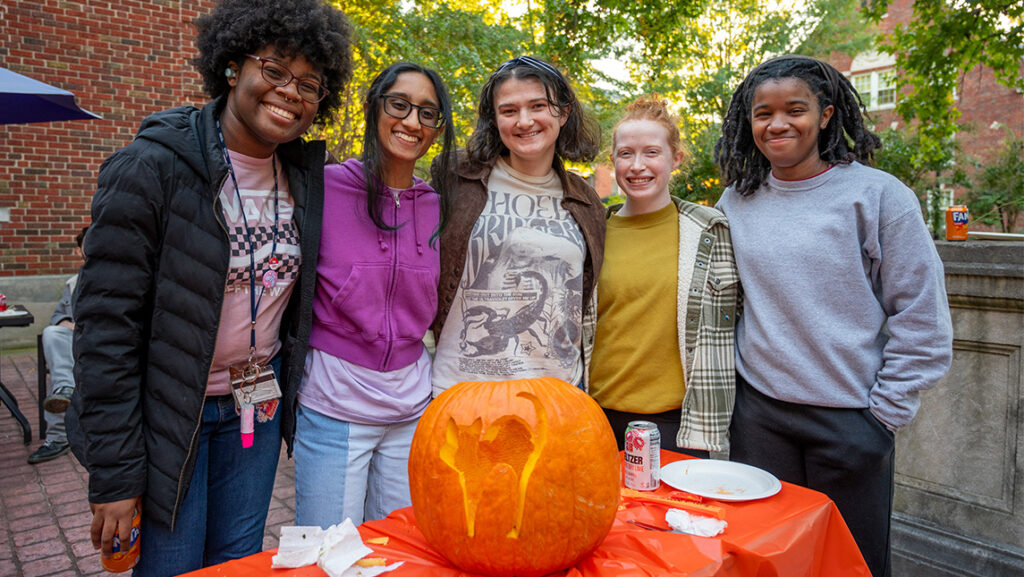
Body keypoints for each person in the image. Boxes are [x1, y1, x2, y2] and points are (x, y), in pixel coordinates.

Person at [65, 1, 353, 575]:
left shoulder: (305, 179)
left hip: (257, 410)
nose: (290, 92)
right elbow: (104, 333)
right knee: (170, 565)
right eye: (274, 71)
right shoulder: (149, 168)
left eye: (309, 84)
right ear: (230, 67)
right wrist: (116, 475)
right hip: (171, 417)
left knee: (237, 563)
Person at [714, 54, 953, 577]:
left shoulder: (880, 196)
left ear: (825, 115)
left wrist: (883, 416)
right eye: (763, 113)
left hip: (850, 421)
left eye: (794, 109)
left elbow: (923, 320)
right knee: (766, 562)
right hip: (758, 419)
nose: (777, 123)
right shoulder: (737, 201)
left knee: (849, 566)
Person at [293, 62, 455, 528]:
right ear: (373, 107)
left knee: (400, 547)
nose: (412, 122)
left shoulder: (439, 207)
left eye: (428, 113)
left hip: (410, 408)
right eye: (399, 105)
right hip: (335, 404)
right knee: (329, 552)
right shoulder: (323, 187)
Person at [430, 55, 604, 395]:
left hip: (559, 394)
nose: (524, 121)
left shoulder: (587, 202)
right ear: (494, 120)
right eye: (509, 111)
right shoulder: (454, 177)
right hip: (462, 390)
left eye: (538, 105)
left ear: (563, 112)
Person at [586, 96, 738, 457]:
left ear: (676, 159)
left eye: (651, 152)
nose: (637, 166)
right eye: (625, 154)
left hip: (677, 423)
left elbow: (739, 315)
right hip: (594, 417)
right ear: (614, 160)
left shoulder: (710, 231)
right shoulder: (592, 232)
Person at [28, 226, 89, 465]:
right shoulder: (73, 283)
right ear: (79, 251)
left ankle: (60, 431)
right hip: (77, 343)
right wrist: (76, 328)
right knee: (51, 333)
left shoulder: (122, 275)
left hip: (107, 346)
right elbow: (58, 318)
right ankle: (58, 433)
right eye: (87, 242)